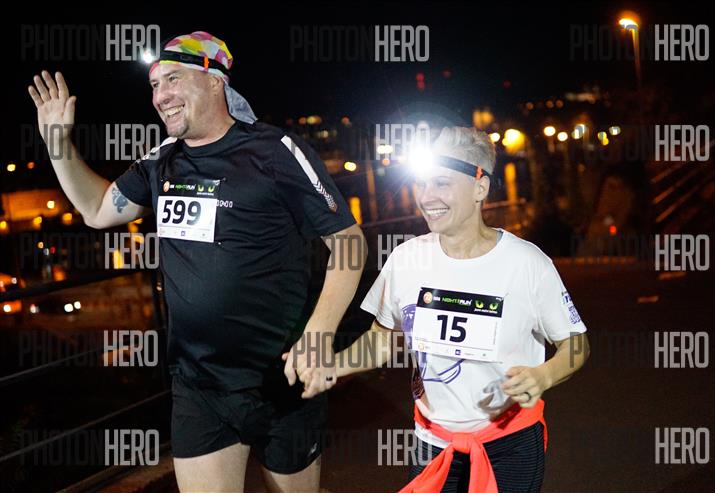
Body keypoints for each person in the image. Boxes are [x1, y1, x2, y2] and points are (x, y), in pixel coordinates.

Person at [28, 31, 366, 493]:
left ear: (214, 80)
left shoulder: (275, 151)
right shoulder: (161, 162)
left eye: (173, 79)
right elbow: (97, 210)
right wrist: (57, 142)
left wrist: (319, 334)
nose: (160, 96)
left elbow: (348, 243)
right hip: (199, 386)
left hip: (282, 376)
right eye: (154, 85)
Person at [333, 127, 590, 492]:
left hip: (509, 444)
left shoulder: (526, 263)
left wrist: (544, 375)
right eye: (422, 184)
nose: (426, 197)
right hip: (432, 445)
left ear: (480, 187)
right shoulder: (406, 259)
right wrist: (330, 367)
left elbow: (576, 343)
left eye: (442, 183)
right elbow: (382, 340)